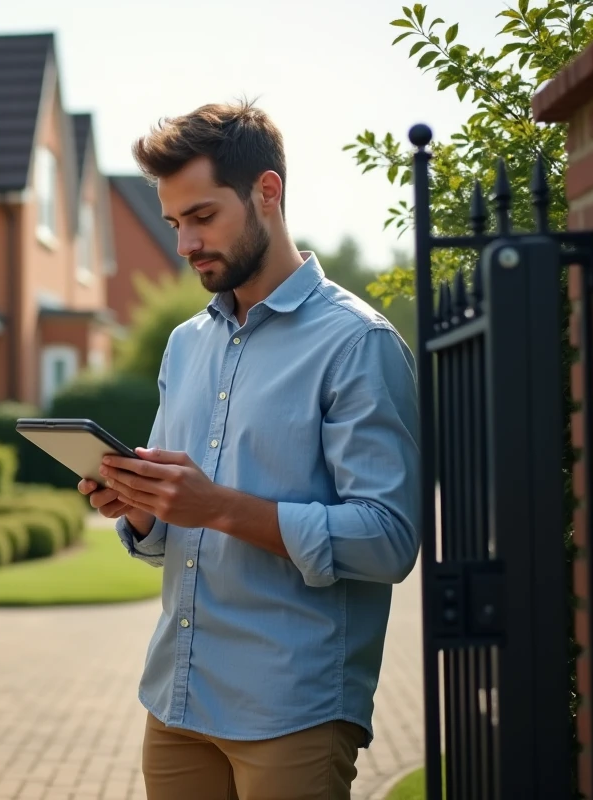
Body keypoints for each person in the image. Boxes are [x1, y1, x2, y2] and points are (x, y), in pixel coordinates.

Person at [79, 100, 421, 800]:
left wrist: (219, 507)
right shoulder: (185, 345)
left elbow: (389, 540)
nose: (185, 244)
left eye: (202, 217)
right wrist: (140, 507)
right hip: (176, 702)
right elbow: (171, 530)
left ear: (267, 192)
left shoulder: (358, 344)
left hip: (292, 709)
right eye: (174, 224)